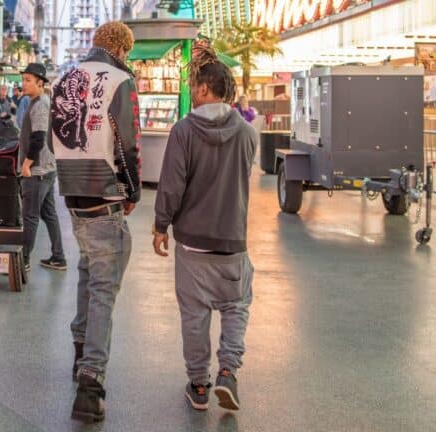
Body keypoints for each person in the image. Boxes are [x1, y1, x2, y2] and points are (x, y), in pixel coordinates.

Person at [152, 43, 257, 412]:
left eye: (193, 86)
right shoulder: (247, 134)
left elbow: (172, 183)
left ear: (202, 89)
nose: (191, 92)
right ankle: (228, 370)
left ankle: (198, 385)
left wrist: (161, 224)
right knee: (236, 304)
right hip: (233, 241)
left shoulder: (184, 130)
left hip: (193, 244)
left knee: (195, 315)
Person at [50, 21, 141, 423]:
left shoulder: (64, 79)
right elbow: (128, 143)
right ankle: (91, 382)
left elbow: (58, 138)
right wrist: (132, 191)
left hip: (73, 195)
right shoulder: (121, 80)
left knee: (89, 270)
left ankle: (79, 348)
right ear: (123, 47)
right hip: (106, 195)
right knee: (104, 287)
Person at [17, 63, 65, 273]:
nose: (24, 83)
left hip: (37, 170)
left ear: (40, 82)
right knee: (49, 213)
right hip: (46, 168)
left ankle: (23, 260)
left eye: (28, 80)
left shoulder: (40, 104)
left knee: (30, 215)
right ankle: (58, 257)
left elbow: (38, 138)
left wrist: (26, 165)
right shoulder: (37, 101)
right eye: (23, 79)